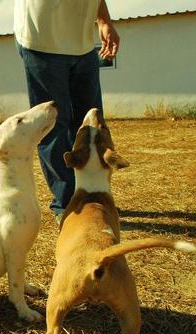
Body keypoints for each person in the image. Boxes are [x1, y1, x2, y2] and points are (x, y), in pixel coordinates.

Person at [14, 0, 120, 224]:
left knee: (92, 126)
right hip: (43, 40)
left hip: (82, 43)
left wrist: (103, 20)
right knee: (54, 126)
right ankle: (68, 204)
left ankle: (93, 197)